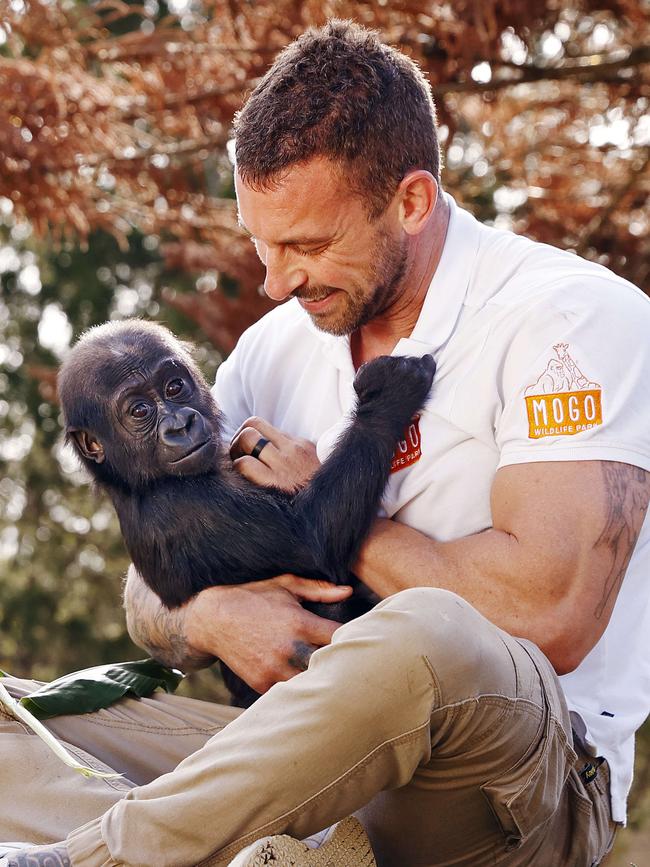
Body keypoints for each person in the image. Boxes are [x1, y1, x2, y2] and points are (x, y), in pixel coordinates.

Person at [2, 18, 650, 867]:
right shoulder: (277, 344)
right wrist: (209, 615)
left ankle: (104, 856)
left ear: (412, 201)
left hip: (511, 777)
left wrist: (330, 507)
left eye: (306, 245)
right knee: (14, 717)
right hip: (298, 761)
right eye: (260, 243)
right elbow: (148, 583)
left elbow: (548, 615)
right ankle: (281, 850)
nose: (275, 281)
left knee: (424, 634)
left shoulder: (568, 318)